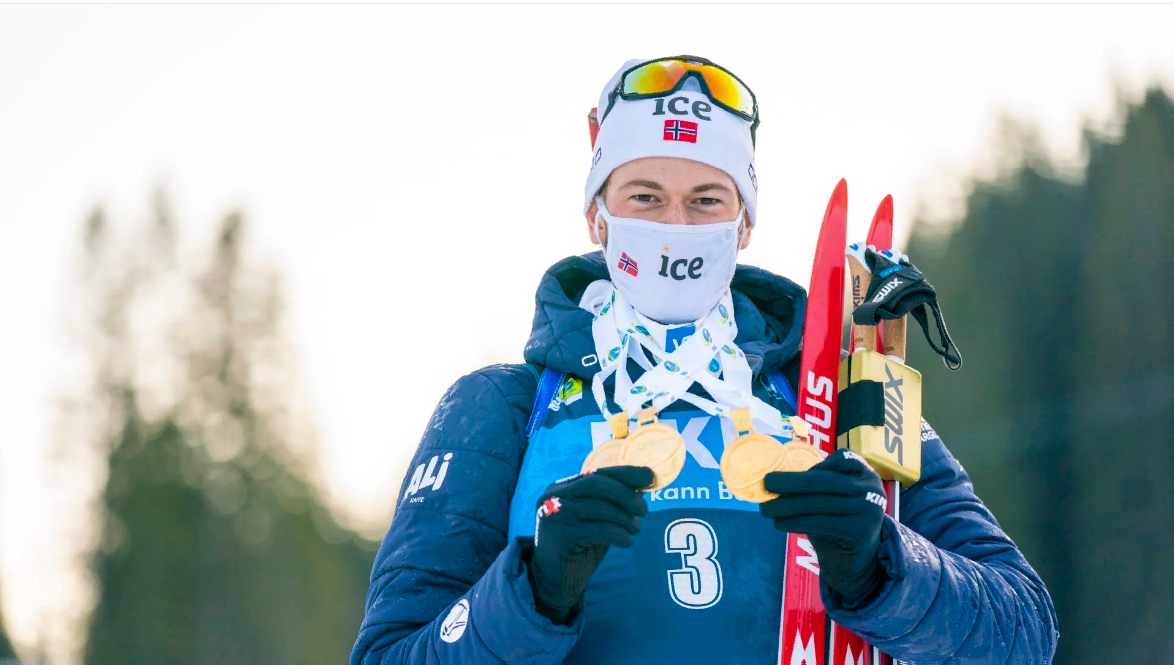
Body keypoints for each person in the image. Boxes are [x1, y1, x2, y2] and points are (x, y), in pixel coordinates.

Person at [350, 55, 1058, 664]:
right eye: (645, 198)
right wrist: (533, 588)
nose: (674, 229)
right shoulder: (502, 409)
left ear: (745, 220)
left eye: (706, 200)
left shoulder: (838, 391)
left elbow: (1024, 629)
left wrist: (880, 563)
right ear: (597, 214)